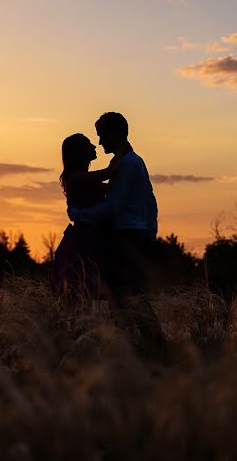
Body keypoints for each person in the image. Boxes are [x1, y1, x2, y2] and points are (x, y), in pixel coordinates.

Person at [67, 112, 163, 351]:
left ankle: (152, 346)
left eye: (101, 136)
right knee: (123, 296)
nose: (99, 142)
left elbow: (113, 207)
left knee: (127, 296)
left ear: (115, 134)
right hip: (133, 235)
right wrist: (150, 232)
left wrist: (78, 216)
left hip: (128, 237)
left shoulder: (128, 164)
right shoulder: (132, 162)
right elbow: (151, 202)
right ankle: (136, 348)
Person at [51, 133, 117, 299]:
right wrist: (123, 157)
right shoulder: (77, 178)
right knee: (83, 288)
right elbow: (108, 173)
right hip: (84, 240)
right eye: (89, 144)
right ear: (80, 152)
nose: (95, 147)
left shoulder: (82, 179)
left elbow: (108, 186)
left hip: (89, 237)